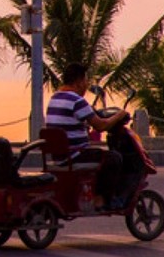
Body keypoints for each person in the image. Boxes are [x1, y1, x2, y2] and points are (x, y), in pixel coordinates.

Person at [44, 63, 131, 209]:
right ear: (78, 82)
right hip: (75, 154)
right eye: (85, 81)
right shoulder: (77, 101)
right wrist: (119, 115)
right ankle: (101, 199)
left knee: (102, 155)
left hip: (59, 155)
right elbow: (101, 126)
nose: (86, 85)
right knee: (114, 158)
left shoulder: (55, 98)